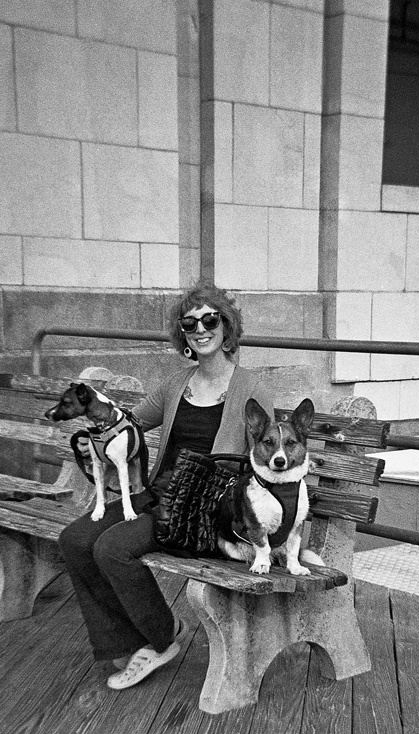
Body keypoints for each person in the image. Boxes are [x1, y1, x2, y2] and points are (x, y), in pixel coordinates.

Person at [58, 283, 274, 690]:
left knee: (112, 547)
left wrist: (266, 528)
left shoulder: (251, 388)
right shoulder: (178, 384)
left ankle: (162, 637)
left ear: (226, 327)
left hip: (203, 509)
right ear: (183, 333)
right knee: (74, 538)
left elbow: (265, 457)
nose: (200, 328)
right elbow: (129, 423)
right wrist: (95, 431)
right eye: (190, 323)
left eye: (210, 320)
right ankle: (132, 636)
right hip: (161, 494)